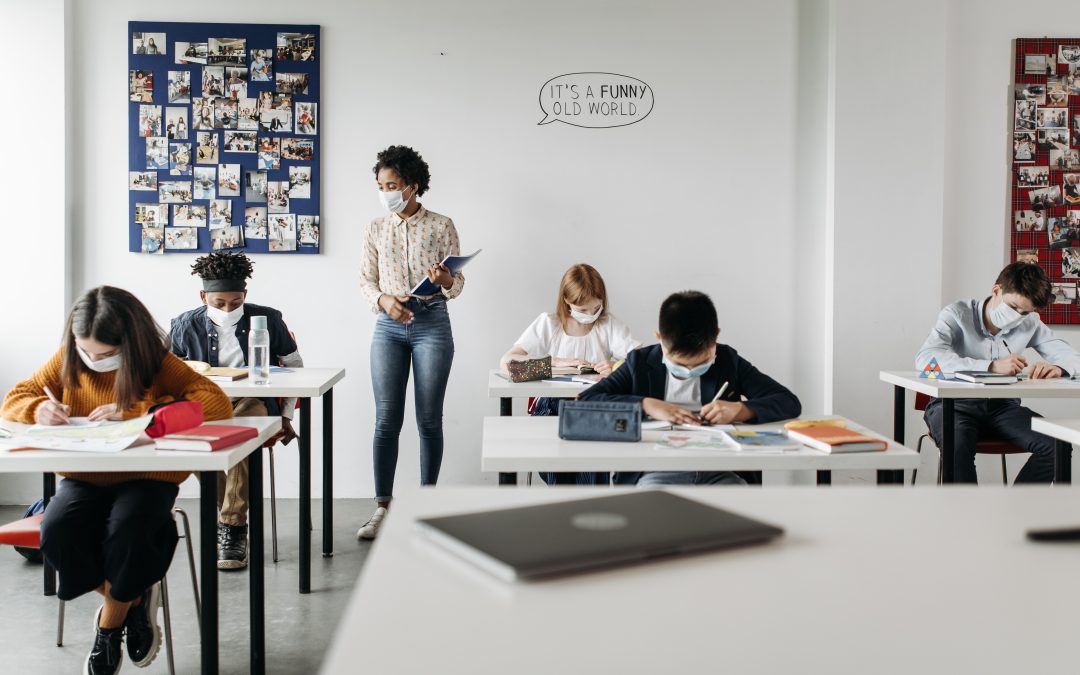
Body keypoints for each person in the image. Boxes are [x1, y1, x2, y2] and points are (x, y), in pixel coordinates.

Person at [1, 287, 232, 675]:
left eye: (106, 355)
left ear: (130, 342)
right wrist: (39, 408)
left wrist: (139, 411)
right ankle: (135, 600)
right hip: (86, 473)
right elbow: (15, 397)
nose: (93, 360)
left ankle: (108, 629)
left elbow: (214, 401)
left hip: (148, 476)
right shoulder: (69, 357)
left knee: (128, 531)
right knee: (57, 532)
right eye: (85, 350)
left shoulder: (155, 362)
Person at [579, 290, 801, 487]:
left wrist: (741, 410)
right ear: (659, 338)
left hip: (721, 471)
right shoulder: (640, 362)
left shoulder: (728, 361)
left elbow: (787, 401)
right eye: (680, 363)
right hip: (655, 471)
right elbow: (585, 404)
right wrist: (646, 405)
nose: (689, 370)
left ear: (716, 335)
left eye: (701, 362)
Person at [169, 252, 304, 569]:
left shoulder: (268, 319)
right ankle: (232, 518)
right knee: (199, 442)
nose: (227, 310)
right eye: (218, 303)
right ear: (203, 296)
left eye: (234, 302)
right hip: (205, 407)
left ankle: (232, 526)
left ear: (245, 295)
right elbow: (164, 375)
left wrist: (287, 415)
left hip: (254, 403)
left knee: (242, 434)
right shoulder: (183, 326)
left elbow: (295, 366)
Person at [357, 145, 464, 540]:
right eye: (381, 185)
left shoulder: (441, 225)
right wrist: (384, 300)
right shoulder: (375, 228)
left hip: (431, 321)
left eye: (392, 185)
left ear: (412, 186)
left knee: (428, 419)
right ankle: (382, 506)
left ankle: (426, 508)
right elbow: (365, 280)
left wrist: (445, 281)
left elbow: (458, 281)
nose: (385, 191)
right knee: (386, 419)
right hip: (388, 325)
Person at [916, 262, 1080, 484]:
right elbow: (925, 361)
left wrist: (1059, 367)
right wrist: (990, 367)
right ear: (996, 291)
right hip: (953, 406)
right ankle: (966, 517)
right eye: (1013, 307)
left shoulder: (1029, 322)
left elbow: (1074, 359)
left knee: (1057, 445)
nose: (1017, 317)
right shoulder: (956, 314)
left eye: (1025, 312)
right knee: (957, 446)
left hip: (1003, 408)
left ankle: (1014, 514)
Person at [499, 263, 640, 484]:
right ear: (567, 301)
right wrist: (554, 363)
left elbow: (641, 360)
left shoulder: (608, 325)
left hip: (592, 405)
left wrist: (615, 364)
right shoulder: (549, 323)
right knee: (557, 459)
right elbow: (508, 363)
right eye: (583, 310)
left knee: (593, 457)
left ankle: (588, 501)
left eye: (596, 308)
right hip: (553, 406)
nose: (591, 315)